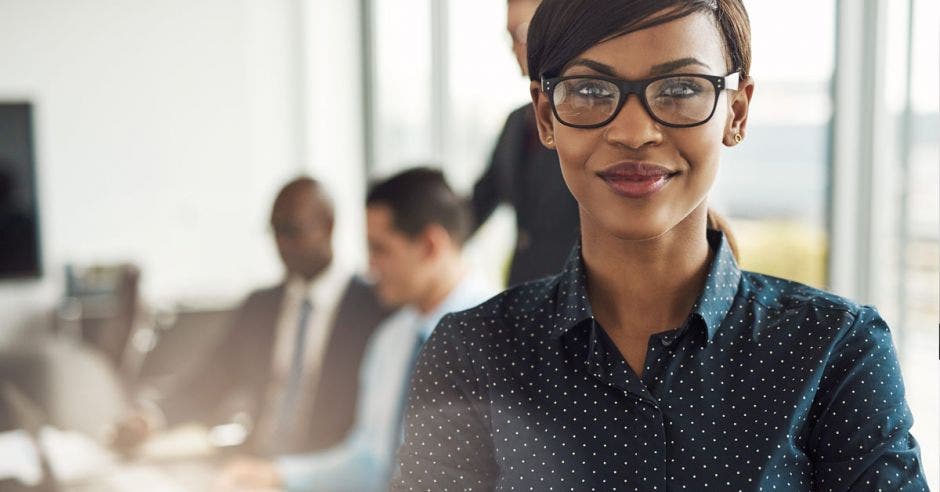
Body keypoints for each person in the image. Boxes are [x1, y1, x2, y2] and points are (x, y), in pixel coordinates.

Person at [392, 1, 929, 490]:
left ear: (736, 112)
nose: (634, 132)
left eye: (679, 89)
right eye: (588, 89)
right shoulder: (472, 352)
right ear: (545, 115)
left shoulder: (834, 350)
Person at [218, 168, 493, 491]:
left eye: (380, 250)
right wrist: (278, 477)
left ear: (430, 246)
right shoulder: (391, 340)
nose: (370, 267)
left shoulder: (504, 338)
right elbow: (370, 462)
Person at [112, 177, 391, 456]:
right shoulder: (260, 307)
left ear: (328, 225)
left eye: (292, 230)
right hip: (255, 465)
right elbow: (210, 380)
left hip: (328, 474)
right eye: (276, 231)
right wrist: (151, 417)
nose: (282, 244)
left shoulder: (372, 309)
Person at [469, 0, 580, 286]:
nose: (512, 46)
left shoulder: (590, 120)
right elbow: (481, 200)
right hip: (524, 289)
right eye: (509, 36)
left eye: (520, 31)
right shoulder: (516, 122)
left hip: (578, 293)